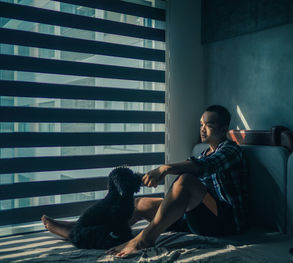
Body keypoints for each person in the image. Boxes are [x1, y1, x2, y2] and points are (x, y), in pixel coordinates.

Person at [41, 105, 247, 257]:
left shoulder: (231, 150)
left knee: (186, 180)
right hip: (198, 217)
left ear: (223, 128)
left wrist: (165, 169)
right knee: (138, 204)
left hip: (225, 221)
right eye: (201, 124)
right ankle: (83, 231)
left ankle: (145, 238)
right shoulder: (202, 153)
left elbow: (202, 167)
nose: (202, 129)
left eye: (209, 125)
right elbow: (195, 163)